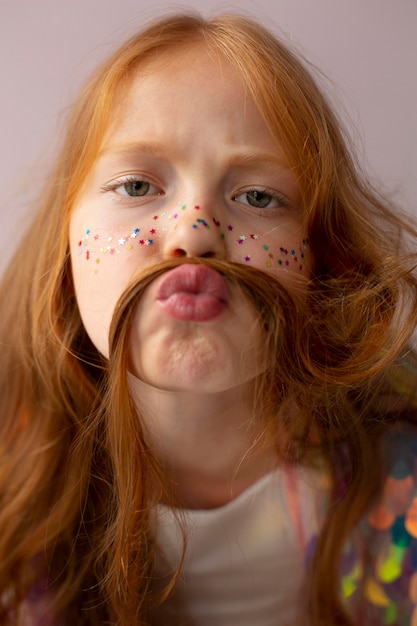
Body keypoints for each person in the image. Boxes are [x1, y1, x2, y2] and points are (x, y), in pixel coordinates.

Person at [0, 10, 417, 626]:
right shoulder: (12, 466)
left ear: (320, 257)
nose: (194, 236)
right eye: (138, 187)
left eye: (256, 197)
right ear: (64, 242)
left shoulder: (398, 453)